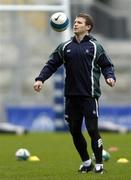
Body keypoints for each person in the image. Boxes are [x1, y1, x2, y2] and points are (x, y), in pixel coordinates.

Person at [34, 13, 116, 174]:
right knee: (75, 131)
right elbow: (51, 64)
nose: (75, 24)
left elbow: (107, 65)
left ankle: (99, 165)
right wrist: (40, 79)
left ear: (88, 27)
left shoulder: (95, 46)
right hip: (71, 96)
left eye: (79, 22)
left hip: (89, 95)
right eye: (75, 22)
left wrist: (110, 77)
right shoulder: (65, 47)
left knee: (93, 130)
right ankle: (86, 163)